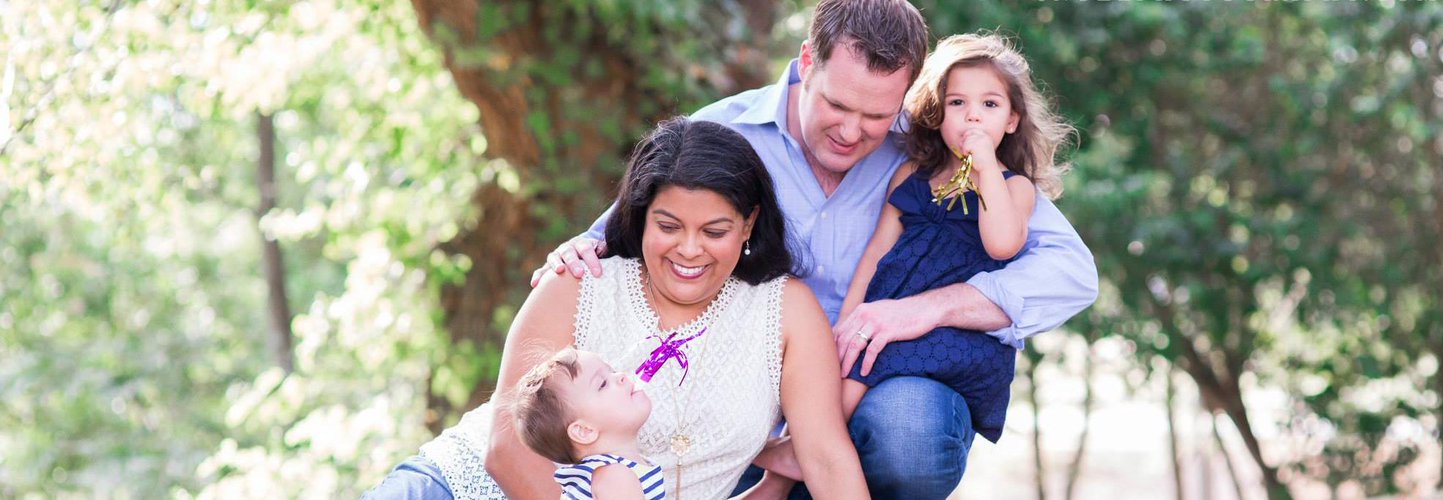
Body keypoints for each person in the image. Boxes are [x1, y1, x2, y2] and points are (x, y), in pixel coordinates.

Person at [533, 1, 1098, 497]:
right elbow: (627, 230)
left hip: (880, 381)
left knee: (910, 438)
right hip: (747, 389)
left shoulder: (934, 154)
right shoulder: (725, 132)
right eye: (836, 105)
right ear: (807, 61)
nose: (851, 132)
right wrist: (579, 249)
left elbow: (1070, 273)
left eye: (877, 116)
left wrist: (928, 308)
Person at [364, 117, 868, 499]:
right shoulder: (579, 283)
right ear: (640, 216)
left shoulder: (787, 311)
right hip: (458, 487)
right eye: (668, 227)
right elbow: (506, 447)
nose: (689, 250)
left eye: (714, 231)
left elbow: (826, 457)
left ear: (749, 223)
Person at [832, 32, 1074, 444]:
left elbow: (1002, 244)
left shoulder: (1013, 188)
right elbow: (877, 252)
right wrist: (848, 318)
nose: (972, 117)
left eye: (990, 105)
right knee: (843, 352)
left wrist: (985, 168)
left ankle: (810, 450)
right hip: (889, 315)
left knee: (869, 357)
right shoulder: (912, 174)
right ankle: (805, 456)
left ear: (1012, 120)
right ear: (937, 113)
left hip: (952, 336)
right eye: (957, 103)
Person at [509, 348, 664, 499]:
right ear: (584, 430)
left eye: (612, 371)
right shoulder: (614, 476)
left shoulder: (611, 470)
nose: (621, 376)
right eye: (603, 384)